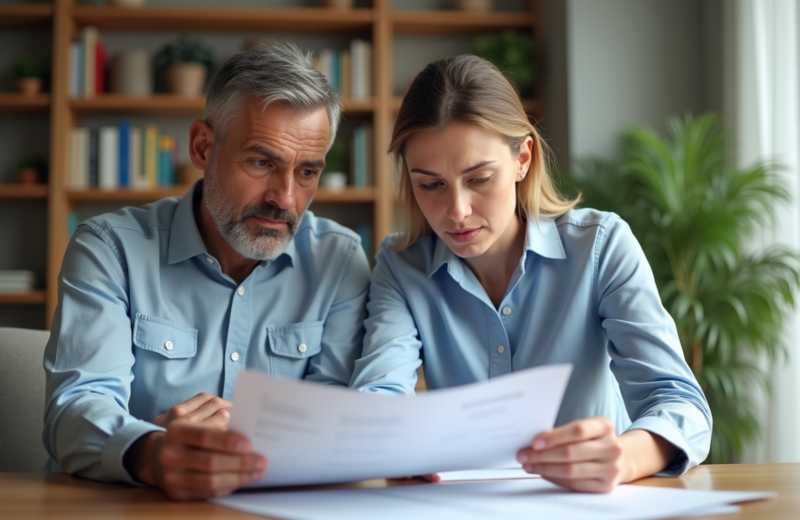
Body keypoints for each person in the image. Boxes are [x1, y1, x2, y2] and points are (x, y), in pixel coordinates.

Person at [350, 54, 712, 493]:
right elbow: (377, 399)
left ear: (523, 157)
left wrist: (624, 456)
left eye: (479, 178)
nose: (457, 212)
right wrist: (391, 442)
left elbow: (681, 404)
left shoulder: (600, 247)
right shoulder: (400, 266)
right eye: (430, 185)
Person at [43, 42, 370, 500]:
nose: (285, 198)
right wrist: (152, 454)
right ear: (202, 146)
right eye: (262, 162)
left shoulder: (340, 261)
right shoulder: (109, 248)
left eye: (307, 172)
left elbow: (331, 421)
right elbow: (75, 410)